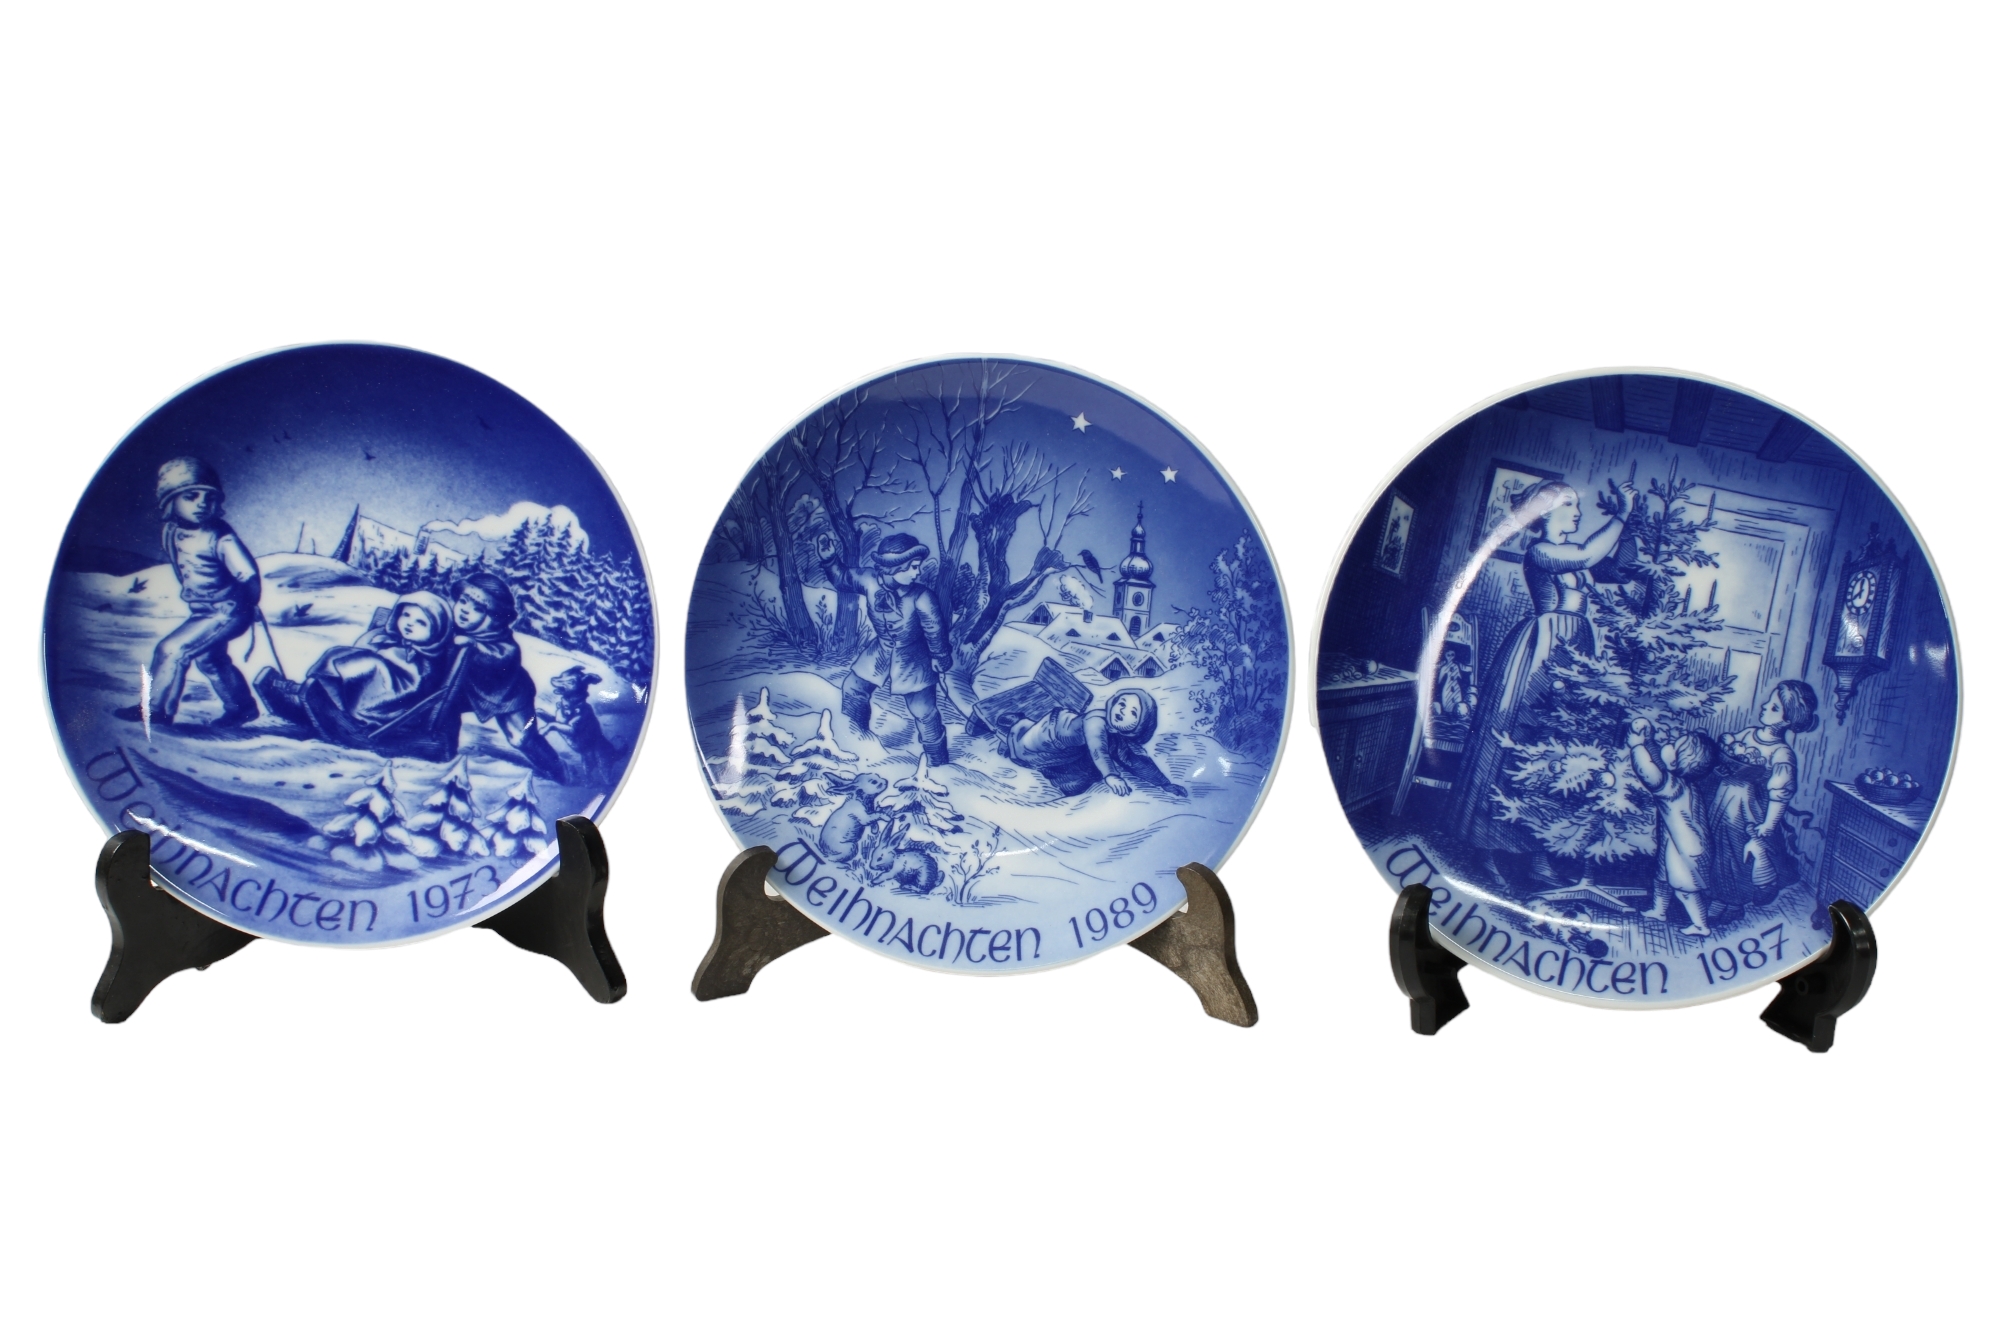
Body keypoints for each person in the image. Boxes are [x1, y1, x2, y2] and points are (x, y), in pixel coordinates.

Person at [1447, 474, 1640, 887]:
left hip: (1573, 650)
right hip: (1542, 652)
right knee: (1519, 742)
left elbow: (1620, 570)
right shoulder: (1541, 552)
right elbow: (1588, 554)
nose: (1578, 511)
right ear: (1545, 513)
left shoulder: (1571, 553)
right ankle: (1487, 852)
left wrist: (1630, 525)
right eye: (1569, 504)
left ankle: (1539, 856)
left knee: (1556, 753)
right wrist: (1621, 515)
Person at [114, 457, 261, 728]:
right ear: (170, 501)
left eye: (209, 498)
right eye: (192, 496)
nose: (202, 503)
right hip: (203, 611)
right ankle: (242, 708)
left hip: (227, 610)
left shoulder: (220, 536)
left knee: (173, 649)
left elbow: (248, 575)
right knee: (211, 659)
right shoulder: (171, 532)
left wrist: (249, 605)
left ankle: (155, 709)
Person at [255, 591, 453, 755]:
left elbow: (418, 685)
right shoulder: (389, 639)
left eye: (421, 622)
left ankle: (334, 705)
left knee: (368, 666)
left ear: (437, 631)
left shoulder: (428, 657)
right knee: (339, 654)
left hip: (396, 697)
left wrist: (379, 663)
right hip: (378, 682)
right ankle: (316, 694)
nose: (409, 623)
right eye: (406, 615)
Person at [420, 571, 568, 782]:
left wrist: (474, 647)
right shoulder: (451, 628)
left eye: (478, 609)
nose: (465, 610)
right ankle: (441, 753)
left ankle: (556, 769)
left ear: (494, 617)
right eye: (463, 601)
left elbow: (499, 658)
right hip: (466, 688)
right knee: (443, 706)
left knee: (520, 738)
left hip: (508, 695)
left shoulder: (503, 644)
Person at [831, 533, 952, 768]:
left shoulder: (922, 596)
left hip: (913, 656)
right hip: (881, 649)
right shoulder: (869, 580)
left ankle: (938, 762)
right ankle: (855, 739)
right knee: (853, 688)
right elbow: (842, 578)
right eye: (913, 567)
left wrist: (939, 655)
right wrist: (829, 560)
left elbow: (935, 628)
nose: (918, 573)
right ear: (896, 566)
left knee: (923, 710)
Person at [1708, 680, 1819, 913]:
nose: (1765, 706)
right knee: (1719, 847)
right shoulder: (1749, 734)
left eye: (1775, 707)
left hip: (1748, 811)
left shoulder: (1781, 753)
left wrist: (1768, 825)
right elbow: (1729, 752)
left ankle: (1733, 900)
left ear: (1787, 721)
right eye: (1769, 701)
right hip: (1722, 801)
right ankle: (1718, 892)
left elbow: (1780, 793)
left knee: (1738, 852)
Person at [1006, 687, 1187, 798]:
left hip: (1069, 747)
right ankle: (1018, 723)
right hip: (1047, 736)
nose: (1122, 711)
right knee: (1025, 750)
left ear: (1139, 726)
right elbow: (1097, 748)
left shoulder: (1115, 733)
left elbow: (1134, 759)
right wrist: (1111, 775)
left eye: (1133, 713)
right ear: (1113, 703)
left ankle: (1022, 723)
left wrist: (1164, 783)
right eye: (1122, 704)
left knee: (1088, 773)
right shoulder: (1096, 720)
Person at [1629, 719, 1720, 935]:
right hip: (1677, 841)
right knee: (1661, 877)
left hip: (1687, 849)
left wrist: (1637, 746)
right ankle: (1659, 910)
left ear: (1677, 762)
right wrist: (1649, 740)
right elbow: (1660, 762)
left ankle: (1700, 925)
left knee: (1685, 889)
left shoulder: (1672, 786)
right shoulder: (1684, 781)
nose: (1668, 744)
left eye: (1674, 746)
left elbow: (1648, 772)